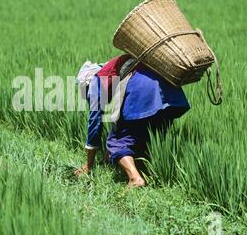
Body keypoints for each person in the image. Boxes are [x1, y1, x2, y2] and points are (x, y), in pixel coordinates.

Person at [74, 54, 190, 188]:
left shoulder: (96, 81)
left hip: (144, 90)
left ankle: (135, 179)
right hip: (170, 93)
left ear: (86, 82)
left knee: (118, 142)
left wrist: (88, 164)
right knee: (146, 136)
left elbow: (95, 122)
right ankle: (149, 171)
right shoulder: (119, 66)